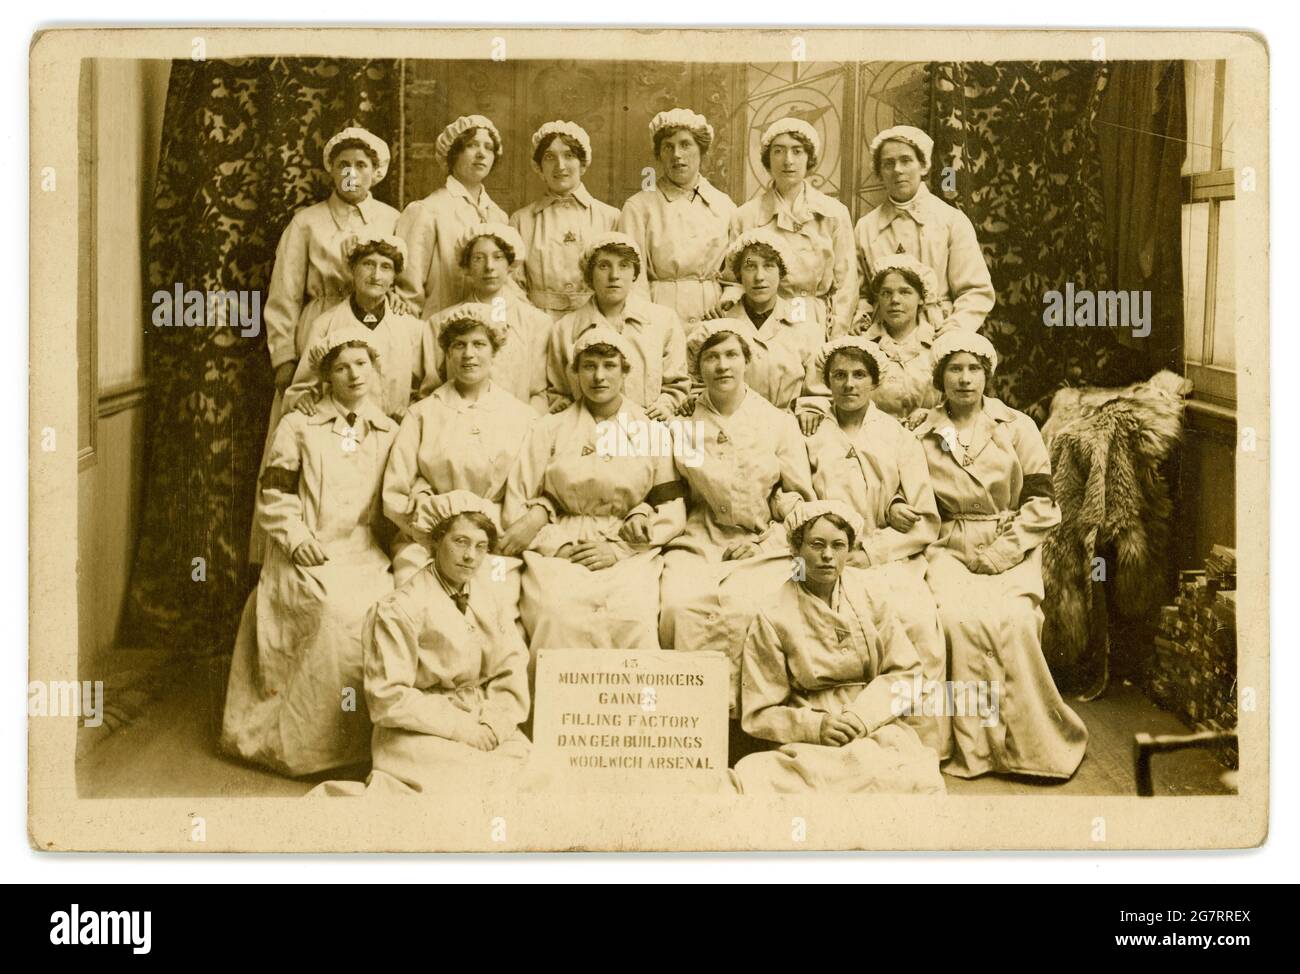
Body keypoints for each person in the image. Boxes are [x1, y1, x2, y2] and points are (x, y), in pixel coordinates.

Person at [221, 327, 397, 776]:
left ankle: (360, 745)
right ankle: (304, 747)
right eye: (341, 367)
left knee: (379, 610)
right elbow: (275, 493)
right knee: (328, 609)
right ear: (326, 377)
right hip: (305, 546)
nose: (353, 375)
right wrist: (297, 540)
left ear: (375, 370)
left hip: (362, 550)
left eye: (361, 364)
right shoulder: (299, 424)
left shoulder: (388, 429)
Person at [914, 331, 1088, 779]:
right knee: (954, 622)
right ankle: (973, 748)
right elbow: (908, 495)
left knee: (1014, 622)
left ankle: (1024, 747)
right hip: (946, 546)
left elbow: (1043, 503)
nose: (965, 379)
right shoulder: (921, 432)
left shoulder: (1016, 426)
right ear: (940, 377)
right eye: (955, 369)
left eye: (974, 369)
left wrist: (1000, 552)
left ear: (987, 376)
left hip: (1009, 540)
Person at [309, 498, 532, 796]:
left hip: (480, 717)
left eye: (481, 547)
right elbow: (389, 698)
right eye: (461, 542)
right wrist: (461, 729)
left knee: (535, 774)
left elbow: (510, 669)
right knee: (476, 783)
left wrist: (492, 724)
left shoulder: (490, 600)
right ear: (436, 541)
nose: (470, 556)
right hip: (417, 729)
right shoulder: (399, 608)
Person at [253, 126, 398, 564]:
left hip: (380, 326)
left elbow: (406, 283)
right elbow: (283, 295)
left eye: (362, 165)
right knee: (312, 430)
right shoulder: (307, 222)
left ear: (376, 173)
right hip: (322, 326)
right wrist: (285, 358)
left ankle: (369, 543)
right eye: (344, 165)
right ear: (331, 171)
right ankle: (299, 544)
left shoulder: (392, 219)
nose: (352, 173)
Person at [659, 319, 816, 722]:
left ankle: (753, 722)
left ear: (747, 361)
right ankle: (693, 723)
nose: (722, 366)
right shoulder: (681, 426)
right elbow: (665, 493)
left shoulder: (778, 422)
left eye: (731, 355)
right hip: (698, 541)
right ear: (698, 368)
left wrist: (769, 541)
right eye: (711, 357)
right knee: (680, 607)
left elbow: (797, 500)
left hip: (766, 543)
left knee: (753, 606)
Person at [731, 501, 946, 794]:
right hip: (810, 731)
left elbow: (906, 673)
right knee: (770, 780)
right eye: (816, 545)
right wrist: (816, 727)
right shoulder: (773, 613)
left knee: (910, 778)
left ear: (850, 549)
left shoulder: (871, 596)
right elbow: (760, 712)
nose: (827, 556)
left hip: (872, 722)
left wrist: (861, 717)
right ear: (796, 549)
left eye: (838, 545)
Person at [501, 327, 686, 654]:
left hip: (628, 546)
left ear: (625, 371)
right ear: (575, 371)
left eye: (609, 365)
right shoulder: (549, 428)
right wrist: (557, 546)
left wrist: (620, 549)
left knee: (633, 616)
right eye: (588, 365)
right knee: (555, 613)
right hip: (560, 542)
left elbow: (671, 508)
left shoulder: (650, 430)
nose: (599, 376)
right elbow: (517, 505)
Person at [805, 336, 948, 756]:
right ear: (827, 382)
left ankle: (922, 745)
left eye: (859, 375)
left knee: (916, 622)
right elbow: (792, 496)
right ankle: (843, 739)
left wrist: (874, 549)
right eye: (839, 376)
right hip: (825, 559)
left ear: (874, 382)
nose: (849, 384)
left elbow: (923, 517)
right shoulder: (811, 433)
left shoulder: (898, 437)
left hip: (888, 559)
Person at [382, 303, 537, 603]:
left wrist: (496, 533)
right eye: (459, 345)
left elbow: (529, 492)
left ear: (495, 351)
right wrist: (431, 527)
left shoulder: (522, 417)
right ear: (447, 353)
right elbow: (394, 495)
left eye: (479, 344)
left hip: (494, 545)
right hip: (428, 544)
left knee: (494, 606)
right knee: (419, 603)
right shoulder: (423, 414)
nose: (469, 354)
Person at [853, 125, 994, 337]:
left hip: (939, 331)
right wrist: (862, 317)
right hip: (882, 335)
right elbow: (860, 293)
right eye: (888, 164)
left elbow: (976, 291)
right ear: (880, 173)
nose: (898, 170)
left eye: (906, 160)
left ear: (924, 166)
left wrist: (953, 329)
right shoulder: (866, 227)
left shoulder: (951, 220)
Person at [726, 117, 856, 338]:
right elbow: (732, 281)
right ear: (768, 159)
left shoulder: (834, 213)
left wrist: (837, 334)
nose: (788, 161)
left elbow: (846, 284)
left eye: (797, 151)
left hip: (816, 319)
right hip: (762, 320)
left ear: (809, 159)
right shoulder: (745, 216)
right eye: (778, 151)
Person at [283, 232, 430, 422]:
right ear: (353, 269)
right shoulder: (325, 325)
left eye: (386, 267)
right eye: (368, 264)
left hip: (396, 432)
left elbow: (428, 389)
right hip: (342, 432)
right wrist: (303, 397)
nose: (376, 275)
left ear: (394, 277)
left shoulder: (411, 327)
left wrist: (410, 410)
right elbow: (303, 387)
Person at [545, 232, 690, 419]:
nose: (614, 276)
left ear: (635, 273)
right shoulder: (565, 329)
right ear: (589, 274)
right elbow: (558, 392)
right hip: (589, 433)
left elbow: (677, 384)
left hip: (647, 427)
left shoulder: (663, 321)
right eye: (604, 266)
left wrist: (665, 405)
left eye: (624, 266)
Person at [618, 108, 736, 328]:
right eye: (668, 147)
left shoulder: (724, 206)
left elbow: (737, 271)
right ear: (659, 154)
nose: (676, 155)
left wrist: (727, 302)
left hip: (714, 317)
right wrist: (646, 324)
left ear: (701, 150)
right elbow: (633, 278)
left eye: (685, 144)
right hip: (660, 315)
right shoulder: (639, 207)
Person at [699, 229, 829, 422]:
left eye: (769, 266)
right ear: (738, 273)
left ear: (781, 272)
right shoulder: (720, 324)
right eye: (750, 267)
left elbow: (817, 391)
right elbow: (698, 385)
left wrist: (810, 409)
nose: (759, 277)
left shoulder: (806, 328)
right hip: (730, 424)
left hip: (787, 427)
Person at [424, 223, 551, 412]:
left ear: (510, 265)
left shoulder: (537, 322)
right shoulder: (439, 322)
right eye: (478, 259)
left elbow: (539, 394)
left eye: (498, 257)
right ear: (466, 267)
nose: (489, 267)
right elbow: (431, 391)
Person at [395, 115, 509, 318]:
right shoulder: (427, 211)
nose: (482, 154)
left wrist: (499, 326)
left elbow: (503, 289)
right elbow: (409, 292)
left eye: (488, 147)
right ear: (453, 153)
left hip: (487, 335)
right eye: (472, 145)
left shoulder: (498, 217)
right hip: (438, 329)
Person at [510, 121, 620, 319]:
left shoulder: (610, 217)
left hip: (596, 322)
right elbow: (512, 286)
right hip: (538, 323)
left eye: (569, 155)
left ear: (583, 163)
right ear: (539, 166)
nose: (560, 166)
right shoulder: (521, 220)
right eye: (550, 157)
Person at [853, 254, 942, 426]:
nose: (894, 300)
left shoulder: (939, 345)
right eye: (886, 293)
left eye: (905, 292)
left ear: (922, 298)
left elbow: (958, 406)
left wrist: (932, 416)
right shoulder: (862, 346)